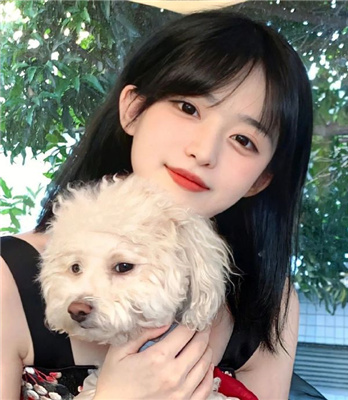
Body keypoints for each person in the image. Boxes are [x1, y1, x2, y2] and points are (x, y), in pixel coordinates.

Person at [1, 9, 325, 400]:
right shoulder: (8, 279)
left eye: (243, 140)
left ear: (261, 179)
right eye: (188, 108)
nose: (204, 151)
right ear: (133, 109)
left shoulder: (272, 301)